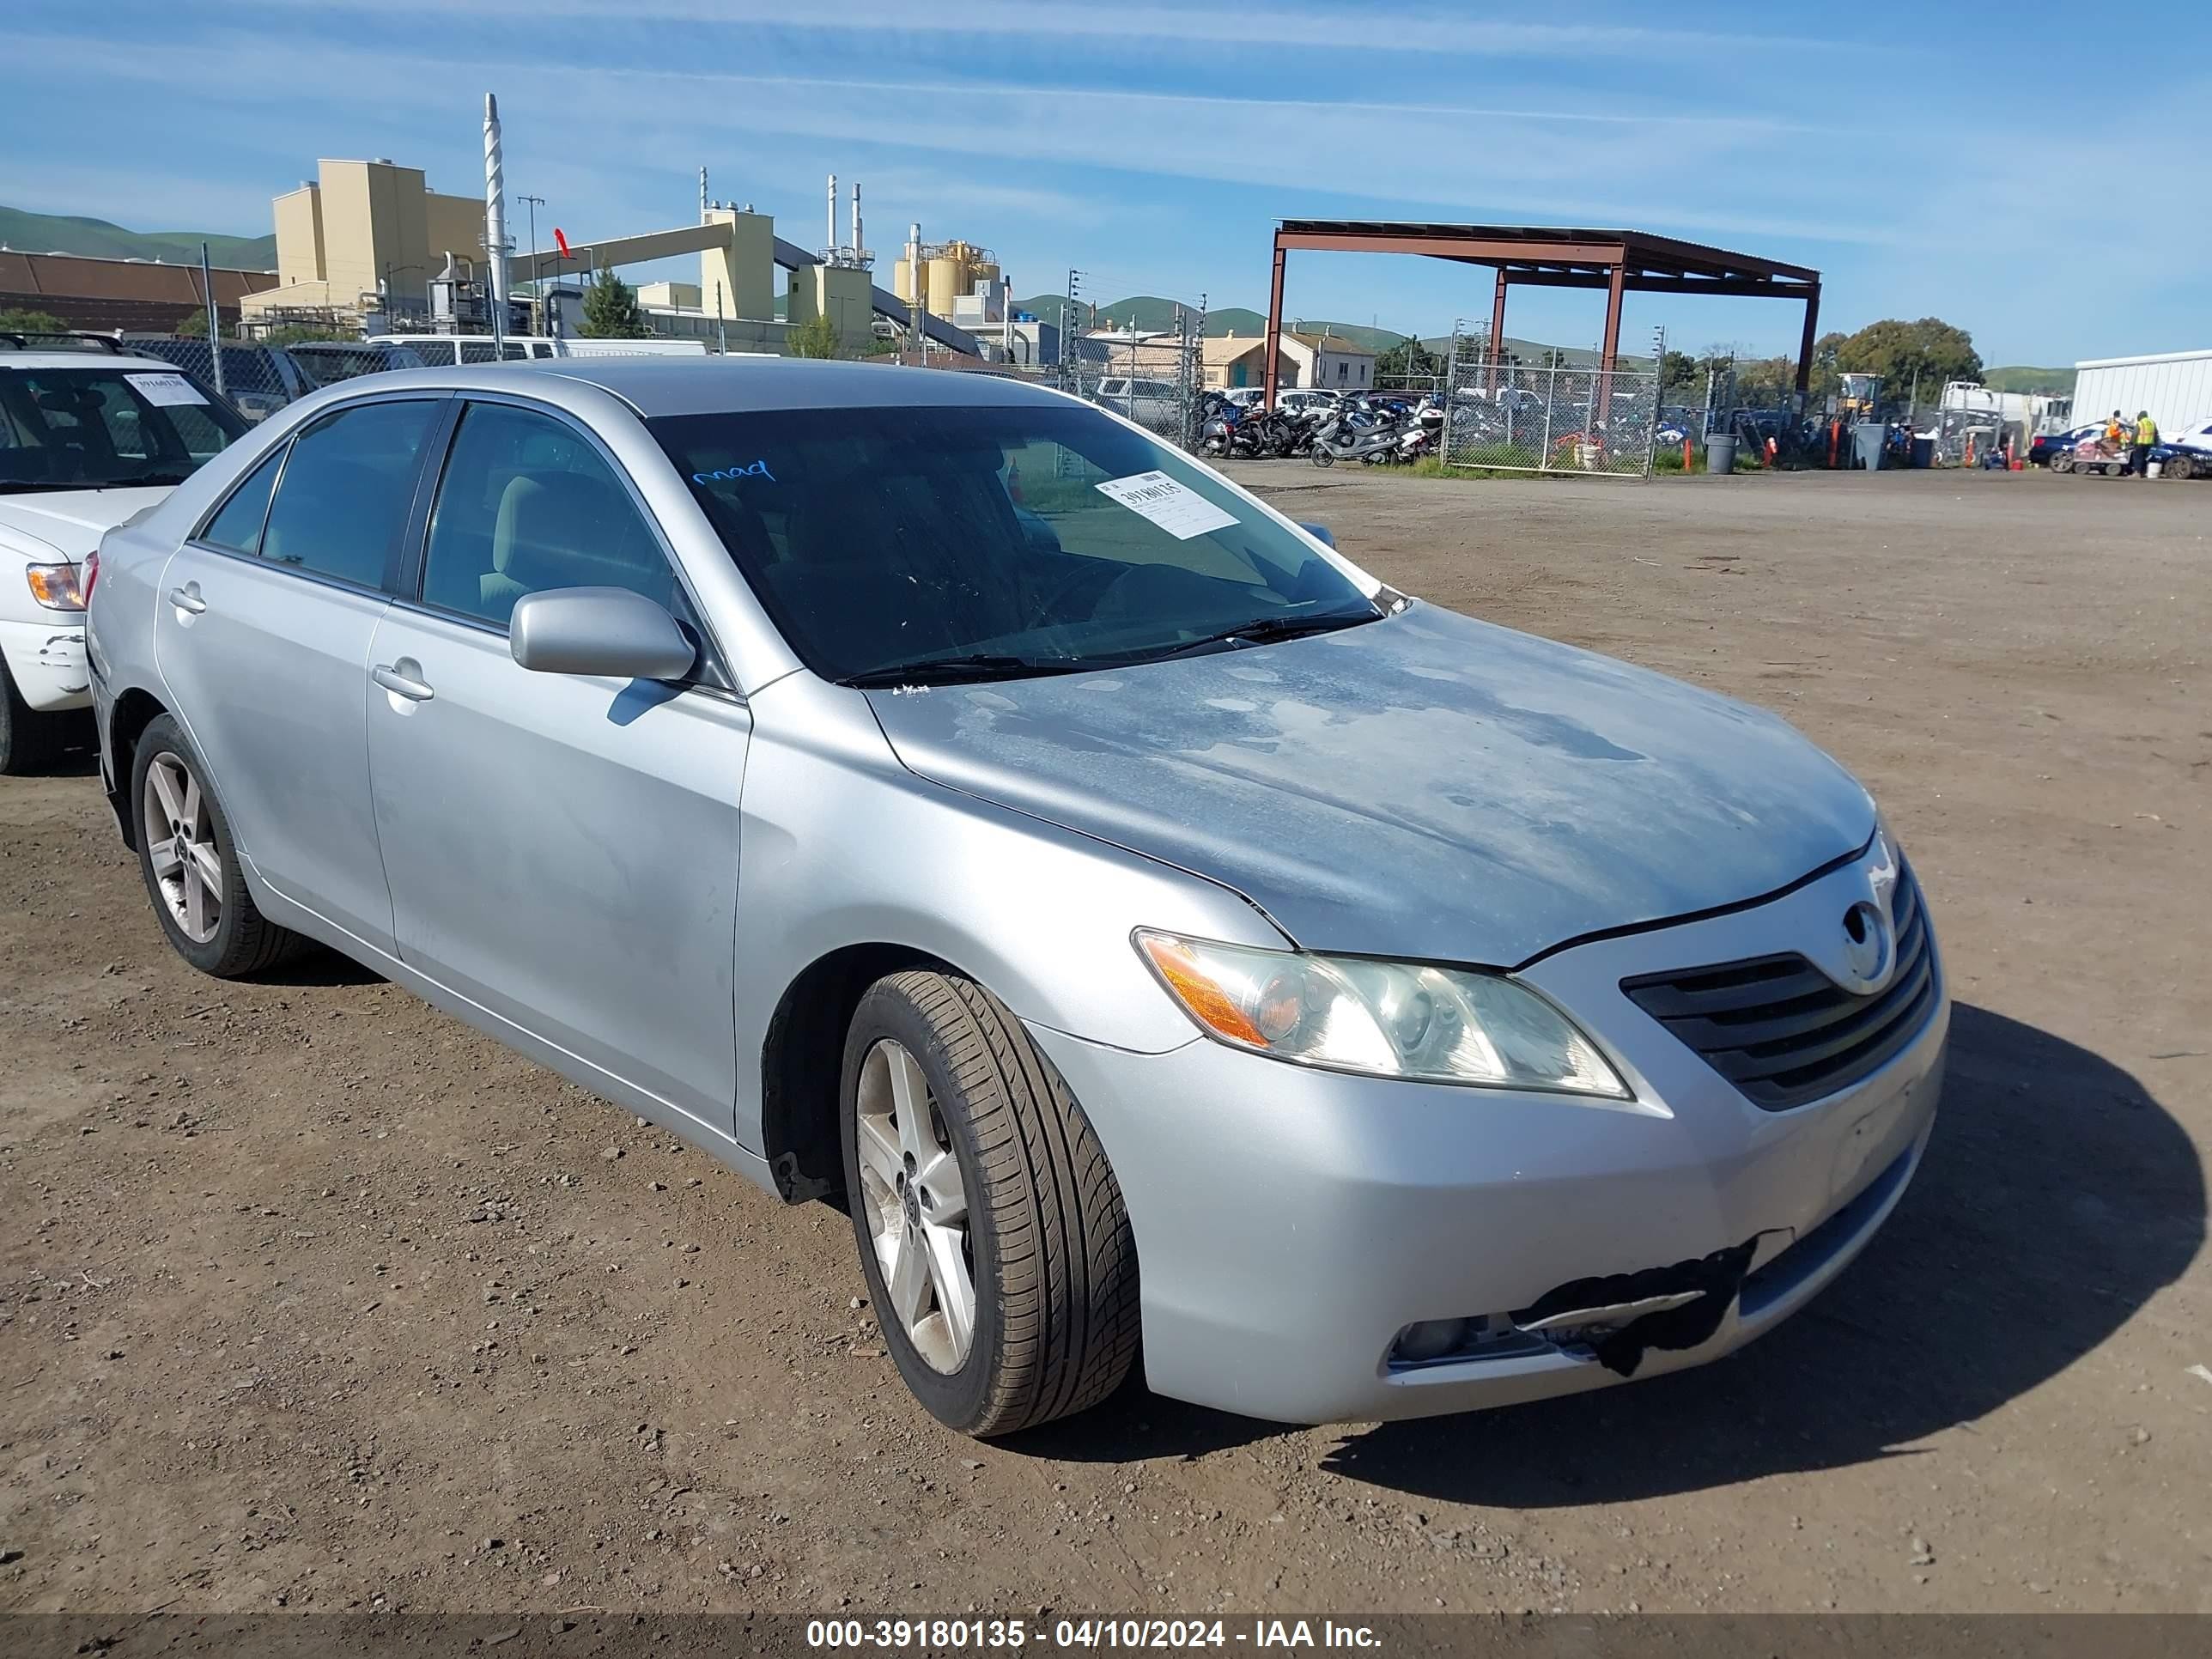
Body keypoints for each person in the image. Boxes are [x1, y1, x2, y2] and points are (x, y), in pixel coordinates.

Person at [2130, 410, 2159, 479]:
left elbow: (2135, 434)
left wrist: (2132, 442)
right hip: (2149, 444)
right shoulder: (2152, 423)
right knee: (2145, 459)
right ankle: (2143, 472)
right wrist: (2155, 443)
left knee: (2138, 458)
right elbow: (2156, 433)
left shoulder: (2140, 423)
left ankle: (2137, 473)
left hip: (2140, 443)